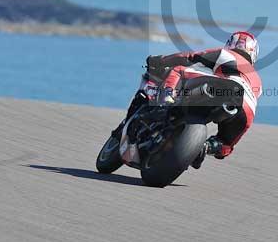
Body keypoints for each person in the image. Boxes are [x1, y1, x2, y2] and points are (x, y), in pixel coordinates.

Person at [112, 31, 261, 166]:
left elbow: (189, 57)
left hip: (225, 88)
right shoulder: (257, 80)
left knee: (179, 70)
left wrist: (159, 60)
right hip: (246, 110)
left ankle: (165, 102)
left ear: (230, 44)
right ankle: (206, 147)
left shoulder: (226, 54)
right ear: (254, 53)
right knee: (225, 144)